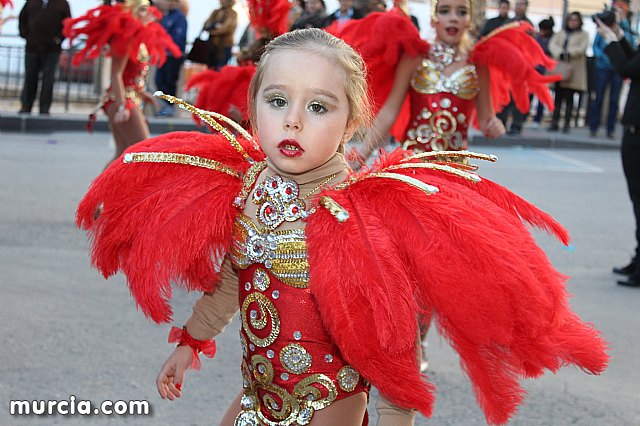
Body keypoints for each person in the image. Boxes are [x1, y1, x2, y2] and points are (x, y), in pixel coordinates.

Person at [77, 28, 608, 425]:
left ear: (352, 121)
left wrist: (396, 416)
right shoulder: (250, 190)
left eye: (318, 107)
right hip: (258, 393)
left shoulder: (362, 216)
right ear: (253, 106)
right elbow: (237, 280)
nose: (293, 121)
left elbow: (394, 343)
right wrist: (190, 342)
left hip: (330, 401)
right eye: (279, 100)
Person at [353, 0, 555, 160]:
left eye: (461, 12)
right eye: (445, 10)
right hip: (412, 165)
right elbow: (389, 111)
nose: (453, 18)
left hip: (456, 171)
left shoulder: (477, 64)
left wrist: (495, 126)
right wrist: (362, 153)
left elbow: (486, 119)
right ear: (434, 18)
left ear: (469, 20)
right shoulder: (415, 58)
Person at [63, 0, 181, 166]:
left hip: (128, 98)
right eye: (142, 10)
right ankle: (103, 191)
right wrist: (121, 106)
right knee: (142, 152)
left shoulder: (138, 40)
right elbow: (116, 75)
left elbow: (131, 77)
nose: (148, 14)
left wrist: (143, 93)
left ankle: (100, 192)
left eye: (148, 10)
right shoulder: (126, 39)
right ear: (132, 12)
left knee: (122, 155)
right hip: (123, 100)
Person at [596, 14, 640, 287]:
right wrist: (619, 35)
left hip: (638, 136)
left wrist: (610, 39)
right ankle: (638, 258)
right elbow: (635, 60)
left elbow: (627, 68)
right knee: (637, 200)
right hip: (634, 134)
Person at [17, 0, 71, 115]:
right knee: (30, 78)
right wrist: (25, 34)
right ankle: (26, 106)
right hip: (32, 47)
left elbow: (68, 23)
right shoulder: (31, 2)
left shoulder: (62, 3)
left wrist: (59, 39)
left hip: (52, 50)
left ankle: (44, 108)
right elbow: (22, 18)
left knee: (48, 80)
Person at [588, 1, 633, 139]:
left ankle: (610, 129)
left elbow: (630, 51)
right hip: (603, 68)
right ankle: (594, 127)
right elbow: (596, 46)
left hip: (617, 71)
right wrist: (604, 57)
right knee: (599, 98)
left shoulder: (625, 29)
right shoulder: (604, 27)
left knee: (614, 100)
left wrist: (620, 26)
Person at [495, 0, 534, 135]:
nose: (519, 7)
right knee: (505, 94)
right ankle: (502, 123)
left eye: (522, 4)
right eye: (517, 4)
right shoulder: (508, 22)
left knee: (518, 95)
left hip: (522, 64)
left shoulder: (528, 25)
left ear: (526, 7)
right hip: (507, 64)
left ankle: (516, 126)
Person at [548, 11, 589, 133]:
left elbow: (582, 48)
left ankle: (566, 123)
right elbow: (553, 45)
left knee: (570, 98)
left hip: (574, 69)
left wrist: (569, 52)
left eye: (575, 20)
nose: (573, 22)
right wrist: (559, 52)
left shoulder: (583, 34)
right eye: (571, 20)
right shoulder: (561, 33)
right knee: (558, 98)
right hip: (560, 68)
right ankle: (554, 122)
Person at [154, 0, 187, 117]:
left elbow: (178, 38)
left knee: (170, 82)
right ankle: (165, 106)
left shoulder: (180, 18)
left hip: (173, 56)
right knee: (159, 80)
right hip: (163, 55)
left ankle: (170, 107)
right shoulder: (166, 16)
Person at [530, 17, 555, 129]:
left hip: (545, 72)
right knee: (529, 93)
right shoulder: (537, 38)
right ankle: (525, 115)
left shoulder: (553, 40)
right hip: (534, 69)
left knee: (541, 96)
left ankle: (537, 118)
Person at [204, 0, 237, 70]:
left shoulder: (233, 14)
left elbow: (226, 28)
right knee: (210, 69)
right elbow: (206, 24)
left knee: (220, 69)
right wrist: (214, 27)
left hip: (225, 46)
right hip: (212, 46)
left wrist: (212, 30)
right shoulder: (215, 12)